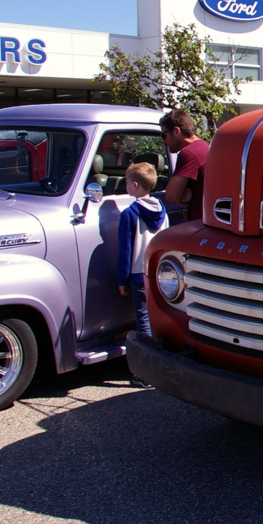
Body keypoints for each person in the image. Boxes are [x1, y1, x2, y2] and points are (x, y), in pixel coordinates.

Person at [117, 162, 168, 388]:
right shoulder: (162, 209)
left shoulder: (129, 214)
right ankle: (162, 365)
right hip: (158, 272)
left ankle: (146, 373)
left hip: (138, 274)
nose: (125, 185)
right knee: (158, 319)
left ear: (134, 185)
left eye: (127, 182)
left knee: (143, 321)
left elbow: (125, 249)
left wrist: (122, 279)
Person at [160, 109, 210, 222]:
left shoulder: (189, 153)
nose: (164, 141)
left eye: (164, 135)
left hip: (199, 224)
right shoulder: (204, 147)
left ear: (176, 131)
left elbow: (171, 196)